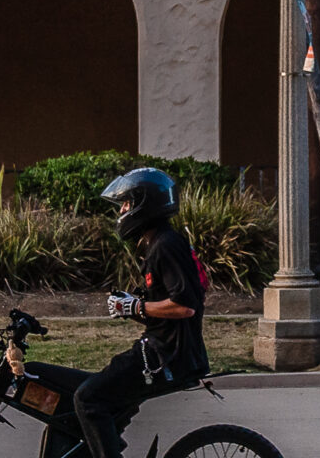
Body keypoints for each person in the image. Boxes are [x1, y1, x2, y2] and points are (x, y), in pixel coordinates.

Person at [25, 167, 210, 458]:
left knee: (87, 399)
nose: (122, 211)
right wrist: (131, 308)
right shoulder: (159, 243)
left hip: (167, 355)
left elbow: (185, 306)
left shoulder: (164, 245)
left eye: (126, 203)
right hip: (166, 350)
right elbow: (166, 308)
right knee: (93, 396)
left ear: (143, 204)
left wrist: (136, 306)